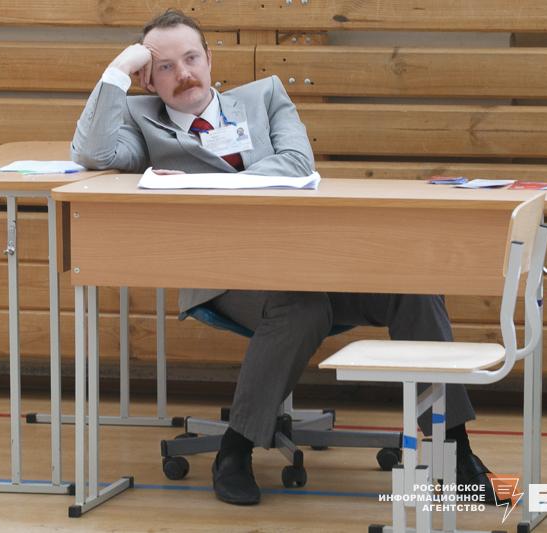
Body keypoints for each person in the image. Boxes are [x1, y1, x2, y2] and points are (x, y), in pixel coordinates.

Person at [71, 9, 498, 507]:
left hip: (311, 259)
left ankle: (454, 450)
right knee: (301, 307)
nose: (183, 73)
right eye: (164, 67)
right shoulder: (143, 121)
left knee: (413, 285)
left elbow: (296, 164)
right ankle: (235, 449)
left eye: (190, 58)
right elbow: (93, 154)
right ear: (149, 79)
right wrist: (119, 68)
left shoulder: (266, 97)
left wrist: (199, 184)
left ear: (209, 60)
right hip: (225, 275)